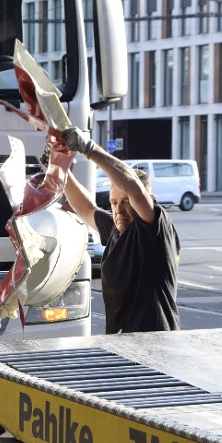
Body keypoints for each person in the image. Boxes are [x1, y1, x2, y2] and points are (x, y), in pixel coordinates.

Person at [62, 129, 181, 334]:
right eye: (114, 202)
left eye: (126, 202)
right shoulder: (116, 229)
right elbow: (86, 208)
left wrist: (89, 149)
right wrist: (60, 169)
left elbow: (133, 187)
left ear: (149, 200)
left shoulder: (154, 230)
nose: (119, 209)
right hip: (122, 343)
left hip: (157, 344)